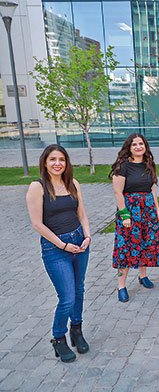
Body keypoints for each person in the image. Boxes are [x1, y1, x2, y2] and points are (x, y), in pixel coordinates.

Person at [26, 145, 92, 363]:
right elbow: (37, 224)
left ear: (67, 162)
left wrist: (87, 236)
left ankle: (77, 330)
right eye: (52, 159)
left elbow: (81, 214)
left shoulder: (73, 184)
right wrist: (63, 245)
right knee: (67, 297)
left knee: (80, 290)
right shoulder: (38, 187)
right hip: (56, 249)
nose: (57, 163)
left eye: (61, 159)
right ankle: (58, 338)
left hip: (79, 243)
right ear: (45, 162)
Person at [110, 133, 159, 303]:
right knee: (125, 248)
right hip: (130, 211)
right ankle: (121, 285)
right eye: (134, 144)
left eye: (141, 144)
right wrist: (125, 215)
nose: (138, 147)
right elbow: (118, 192)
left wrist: (157, 210)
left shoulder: (149, 164)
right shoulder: (123, 166)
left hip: (147, 210)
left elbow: (152, 189)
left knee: (146, 244)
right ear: (129, 147)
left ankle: (143, 276)